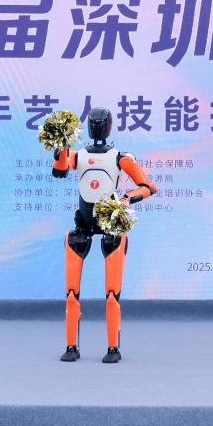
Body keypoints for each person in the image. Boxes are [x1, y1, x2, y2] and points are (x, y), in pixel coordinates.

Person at [51, 107, 157, 363]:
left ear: (107, 126)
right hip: (83, 225)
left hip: (111, 225)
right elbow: (60, 170)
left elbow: (148, 186)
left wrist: (125, 200)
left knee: (112, 294)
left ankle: (113, 348)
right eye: (94, 123)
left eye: (100, 123)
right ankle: (71, 346)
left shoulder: (120, 157)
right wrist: (61, 143)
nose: (97, 127)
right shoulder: (79, 155)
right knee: (72, 292)